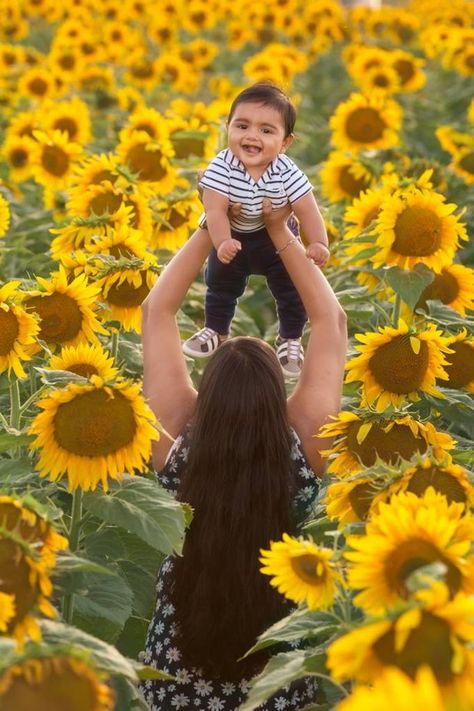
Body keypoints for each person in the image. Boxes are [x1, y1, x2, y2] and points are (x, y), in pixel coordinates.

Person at [139, 200, 347, 710]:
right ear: (281, 399)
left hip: (177, 665)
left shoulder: (174, 445)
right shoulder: (303, 450)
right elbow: (331, 320)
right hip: (272, 672)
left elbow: (156, 310)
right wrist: (279, 231)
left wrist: (215, 226)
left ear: (204, 396)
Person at [182, 82, 330, 378]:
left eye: (266, 130)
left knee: (291, 288)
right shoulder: (222, 165)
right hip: (233, 234)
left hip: (274, 239)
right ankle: (215, 329)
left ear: (285, 142)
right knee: (221, 283)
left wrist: (318, 242)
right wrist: (222, 241)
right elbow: (214, 209)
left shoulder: (287, 171)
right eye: (242, 125)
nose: (252, 136)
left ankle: (290, 339)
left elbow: (307, 209)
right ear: (228, 128)